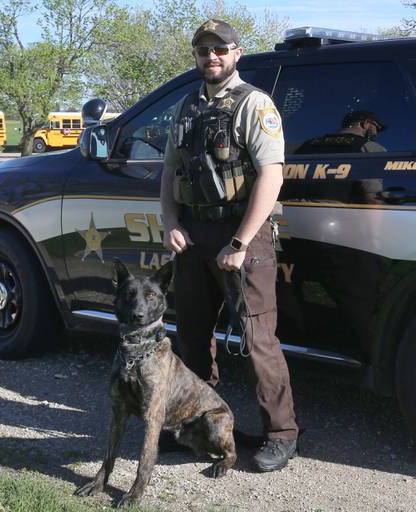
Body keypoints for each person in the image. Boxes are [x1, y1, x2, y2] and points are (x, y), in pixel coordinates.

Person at [160, 19, 298, 472]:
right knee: (192, 338)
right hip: (194, 235)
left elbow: (271, 175)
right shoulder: (186, 107)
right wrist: (171, 221)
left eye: (220, 49)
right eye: (203, 50)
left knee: (259, 340)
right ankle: (200, 427)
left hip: (243, 233)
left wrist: (239, 242)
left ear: (237, 53)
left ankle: (282, 434)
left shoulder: (254, 104)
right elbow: (170, 173)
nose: (211, 57)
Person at [295, 109, 387, 154]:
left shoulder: (307, 145)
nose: (376, 133)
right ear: (366, 124)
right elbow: (372, 190)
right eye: (377, 128)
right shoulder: (370, 149)